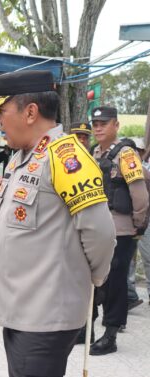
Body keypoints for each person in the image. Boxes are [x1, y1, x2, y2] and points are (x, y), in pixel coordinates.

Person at [0, 70, 115, 377]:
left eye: (2, 112)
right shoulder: (24, 158)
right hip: (24, 310)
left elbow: (100, 233)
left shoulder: (66, 157)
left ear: (30, 112)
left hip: (46, 312)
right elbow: (3, 215)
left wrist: (93, 277)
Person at [91, 106, 149, 355]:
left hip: (121, 229)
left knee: (115, 282)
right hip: (97, 228)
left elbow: (139, 192)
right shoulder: (95, 153)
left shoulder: (126, 154)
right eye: (95, 124)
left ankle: (111, 334)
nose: (98, 128)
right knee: (92, 280)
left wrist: (138, 224)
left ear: (116, 125)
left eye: (104, 123)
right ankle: (86, 329)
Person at [127, 138, 150, 310]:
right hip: (130, 223)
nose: (137, 154)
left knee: (144, 259)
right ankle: (129, 295)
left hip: (143, 223)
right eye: (135, 151)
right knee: (129, 261)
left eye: (140, 151)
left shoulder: (144, 171)